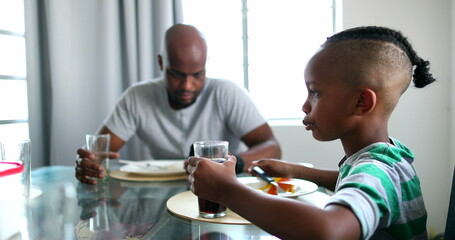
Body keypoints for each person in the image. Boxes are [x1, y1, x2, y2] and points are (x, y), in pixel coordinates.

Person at [185, 26, 435, 240]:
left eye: (315, 92)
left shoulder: (377, 171)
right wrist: (296, 171)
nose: (305, 105)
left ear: (361, 102)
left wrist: (226, 190)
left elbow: (328, 231)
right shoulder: (388, 156)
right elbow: (349, 178)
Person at [76, 24, 281, 184]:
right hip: (159, 193)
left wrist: (232, 163)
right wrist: (89, 162)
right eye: (177, 74)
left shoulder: (226, 92)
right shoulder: (137, 96)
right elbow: (98, 151)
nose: (187, 85)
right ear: (161, 63)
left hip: (217, 191)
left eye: (198, 75)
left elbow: (271, 147)